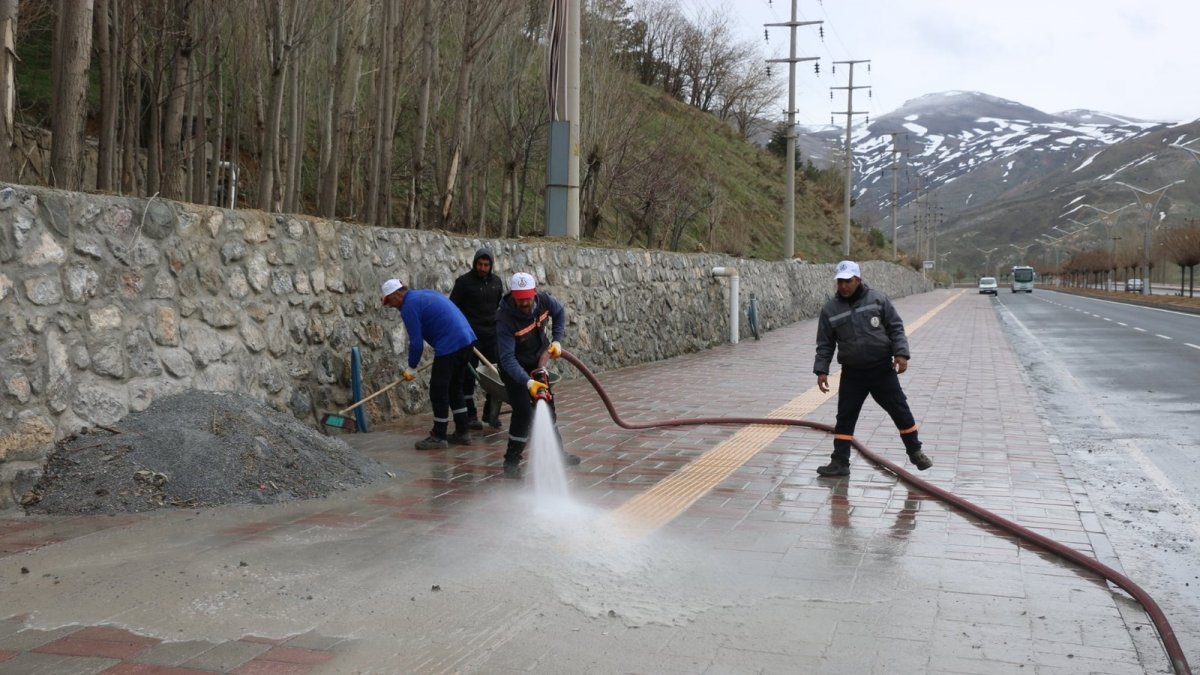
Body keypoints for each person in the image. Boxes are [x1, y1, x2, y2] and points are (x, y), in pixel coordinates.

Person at [812, 260, 932, 476]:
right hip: (852, 373)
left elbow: (895, 327)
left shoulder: (877, 299)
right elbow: (825, 344)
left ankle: (915, 451)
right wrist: (822, 370)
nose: (843, 286)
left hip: (881, 370)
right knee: (845, 417)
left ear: (858, 280)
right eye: (840, 282)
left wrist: (901, 354)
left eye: (848, 281)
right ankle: (840, 462)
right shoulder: (830, 310)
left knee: (900, 410)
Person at [494, 272, 581, 478]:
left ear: (534, 293)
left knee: (548, 406)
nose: (524, 303)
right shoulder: (504, 319)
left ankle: (558, 454)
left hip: (537, 362)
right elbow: (507, 359)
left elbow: (559, 312)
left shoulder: (544, 301)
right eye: (520, 299)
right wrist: (527, 382)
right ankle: (511, 462)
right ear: (513, 296)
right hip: (514, 369)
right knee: (523, 411)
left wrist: (556, 339)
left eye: (528, 298)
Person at [381, 278, 477, 450]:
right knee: (455, 388)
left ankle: (439, 436)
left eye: (390, 301)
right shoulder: (422, 295)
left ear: (397, 294)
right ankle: (463, 431)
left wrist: (411, 367)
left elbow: (416, 342)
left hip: (450, 344)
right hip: (466, 340)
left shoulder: (408, 306)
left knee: (438, 390)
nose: (391, 306)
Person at [449, 248, 505, 430]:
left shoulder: (496, 283)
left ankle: (491, 413)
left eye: (486, 265)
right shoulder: (463, 283)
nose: (482, 268)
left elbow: (499, 306)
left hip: (491, 337)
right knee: (468, 378)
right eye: (479, 264)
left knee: (495, 376)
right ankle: (470, 416)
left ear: (491, 265)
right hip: (470, 339)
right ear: (474, 263)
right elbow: (453, 308)